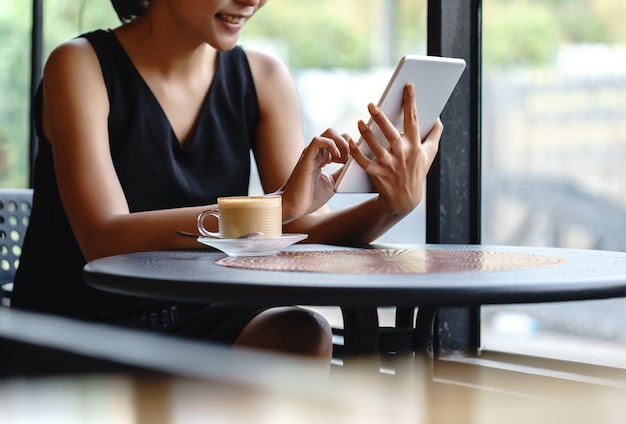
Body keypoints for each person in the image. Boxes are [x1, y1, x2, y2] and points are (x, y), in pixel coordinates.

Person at [12, 0, 443, 370]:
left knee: (302, 333)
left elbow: (307, 230)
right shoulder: (78, 65)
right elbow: (102, 238)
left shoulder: (264, 77)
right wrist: (274, 208)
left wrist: (394, 205)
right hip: (79, 327)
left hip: (203, 314)